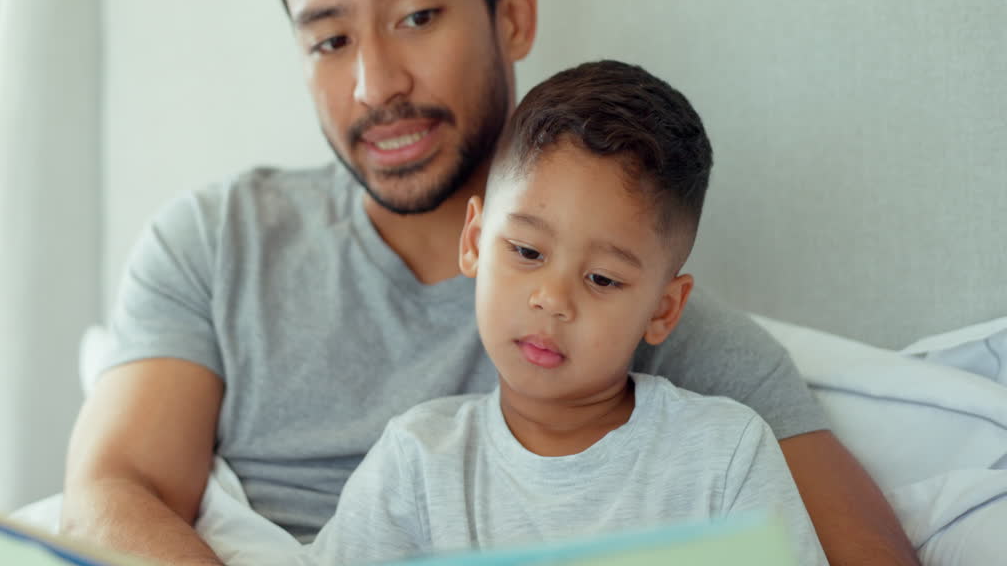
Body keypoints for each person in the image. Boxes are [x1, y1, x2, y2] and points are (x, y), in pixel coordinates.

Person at [60, 0, 916, 564]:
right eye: (330, 40)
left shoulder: (655, 327)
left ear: (512, 14)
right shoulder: (214, 244)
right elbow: (107, 495)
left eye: (418, 15)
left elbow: (862, 552)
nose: (375, 85)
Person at [298, 60, 827, 565]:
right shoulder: (417, 463)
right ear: (476, 242)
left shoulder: (726, 456)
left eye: (601, 279)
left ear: (664, 310)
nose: (552, 298)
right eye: (527, 252)